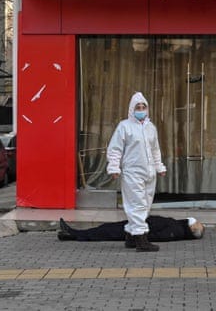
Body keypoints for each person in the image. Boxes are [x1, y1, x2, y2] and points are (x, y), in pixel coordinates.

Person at [106, 92, 166, 252]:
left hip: (149, 173)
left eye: (143, 107)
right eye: (137, 107)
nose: (141, 109)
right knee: (137, 205)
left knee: (145, 205)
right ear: (132, 109)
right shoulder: (124, 126)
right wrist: (114, 167)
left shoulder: (150, 128)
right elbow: (115, 149)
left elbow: (155, 150)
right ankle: (141, 240)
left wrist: (159, 167)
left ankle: (131, 236)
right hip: (132, 172)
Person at [57, 216, 205, 243]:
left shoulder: (178, 231)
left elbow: (159, 236)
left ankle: (73, 233)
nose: (199, 222)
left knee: (104, 232)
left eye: (199, 224)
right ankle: (71, 234)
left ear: (192, 229)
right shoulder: (178, 226)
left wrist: (139, 233)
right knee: (105, 229)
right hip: (137, 224)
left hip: (136, 228)